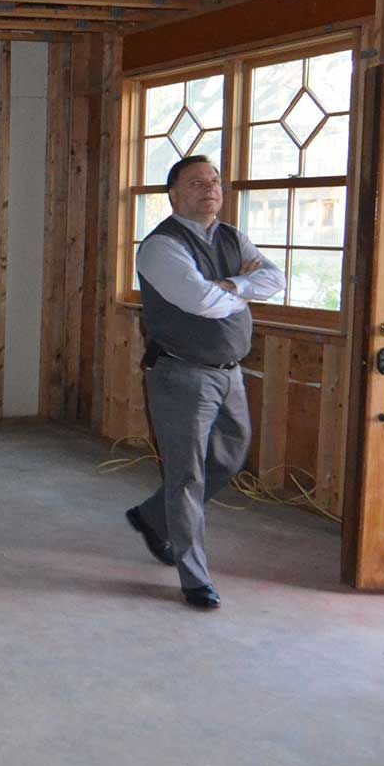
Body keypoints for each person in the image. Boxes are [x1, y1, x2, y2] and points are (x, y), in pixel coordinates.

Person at [126, 154, 285, 609]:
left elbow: (276, 279)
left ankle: (152, 516)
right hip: (182, 373)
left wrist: (228, 286)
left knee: (230, 457)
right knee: (187, 475)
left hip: (230, 372)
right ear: (173, 194)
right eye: (196, 183)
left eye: (214, 181)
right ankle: (194, 577)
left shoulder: (233, 236)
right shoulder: (161, 246)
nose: (210, 188)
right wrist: (241, 287)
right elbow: (201, 302)